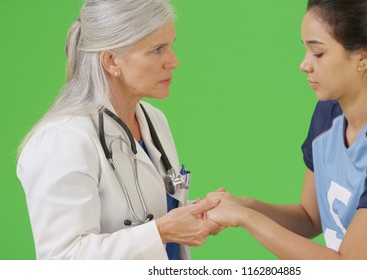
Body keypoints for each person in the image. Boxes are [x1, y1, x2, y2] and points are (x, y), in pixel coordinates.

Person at [207, 0, 367, 259]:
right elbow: (309, 217)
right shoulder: (328, 114)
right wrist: (242, 204)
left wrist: (245, 217)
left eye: (318, 53)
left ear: (364, 56)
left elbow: (349, 267)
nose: (304, 64)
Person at [17, 0, 222, 260]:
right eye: (157, 50)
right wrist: (161, 232)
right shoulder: (62, 140)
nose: (174, 61)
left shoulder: (153, 120)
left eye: (171, 45)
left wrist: (202, 212)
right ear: (112, 60)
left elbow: (146, 212)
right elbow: (62, 260)